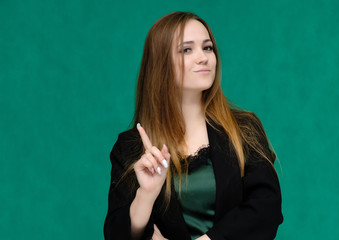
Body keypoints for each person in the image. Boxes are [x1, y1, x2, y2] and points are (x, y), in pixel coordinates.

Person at [104, 11, 283, 240]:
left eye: (207, 47)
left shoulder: (244, 128)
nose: (203, 57)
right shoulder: (130, 147)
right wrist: (145, 196)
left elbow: (266, 208)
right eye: (187, 49)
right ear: (161, 63)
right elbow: (115, 234)